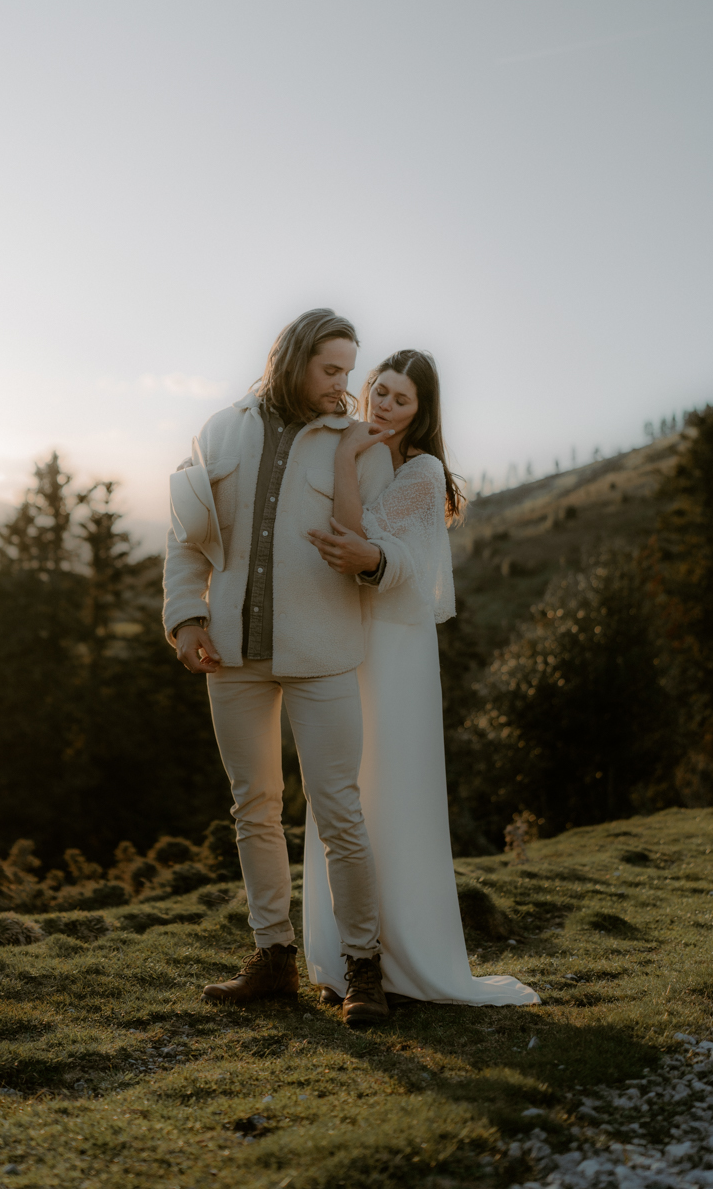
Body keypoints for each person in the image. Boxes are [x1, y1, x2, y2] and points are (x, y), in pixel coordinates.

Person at [163, 309, 396, 1025]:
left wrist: (372, 560)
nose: (344, 387)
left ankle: (363, 968)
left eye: (348, 372)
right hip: (231, 652)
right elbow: (186, 541)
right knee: (252, 808)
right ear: (293, 360)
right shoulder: (218, 431)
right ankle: (272, 959)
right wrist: (186, 617)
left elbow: (386, 553)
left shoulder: (361, 447)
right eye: (331, 370)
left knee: (339, 814)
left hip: (324, 654)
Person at [306, 350, 540, 1009]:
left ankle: (400, 957)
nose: (381, 405)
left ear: (421, 412)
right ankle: (343, 953)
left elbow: (359, 543)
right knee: (341, 788)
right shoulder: (351, 446)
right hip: (342, 641)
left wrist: (346, 460)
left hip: (394, 649)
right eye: (377, 390)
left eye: (398, 400)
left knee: (390, 790)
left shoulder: (421, 470)